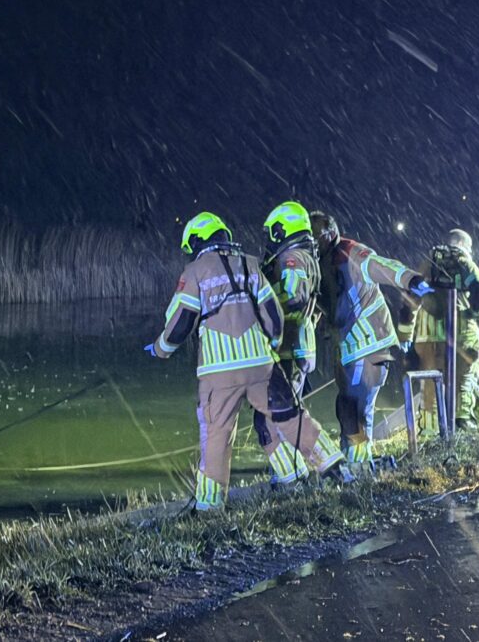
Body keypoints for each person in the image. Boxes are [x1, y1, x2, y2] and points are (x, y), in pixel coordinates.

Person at [147, 211, 345, 510]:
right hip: (262, 367)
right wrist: (272, 345)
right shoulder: (252, 265)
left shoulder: (195, 271)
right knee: (291, 418)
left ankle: (210, 505)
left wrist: (160, 349)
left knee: (218, 436)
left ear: (198, 241)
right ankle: (334, 467)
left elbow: (180, 323)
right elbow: (273, 317)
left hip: (218, 373)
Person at [310, 211, 432, 466]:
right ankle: (358, 460)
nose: (312, 242)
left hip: (369, 345)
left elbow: (382, 266)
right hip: (351, 349)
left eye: (316, 236)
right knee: (353, 407)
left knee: (351, 407)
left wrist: (411, 280)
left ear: (330, 234)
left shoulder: (350, 252)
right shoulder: (321, 263)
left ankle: (356, 463)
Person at [255, 201, 324, 482]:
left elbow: (293, 297)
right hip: (295, 347)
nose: (271, 237)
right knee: (286, 415)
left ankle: (291, 476)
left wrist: (259, 304)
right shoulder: (302, 256)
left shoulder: (292, 257)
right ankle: (297, 471)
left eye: (275, 231)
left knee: (273, 418)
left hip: (287, 349)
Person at [398, 229, 479, 429]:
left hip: (427, 337)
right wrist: (471, 315)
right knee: (464, 378)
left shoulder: (428, 262)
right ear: (461, 243)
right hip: (460, 335)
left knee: (429, 388)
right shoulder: (464, 261)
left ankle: (431, 430)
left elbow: (409, 300)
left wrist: (405, 337)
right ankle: (461, 422)